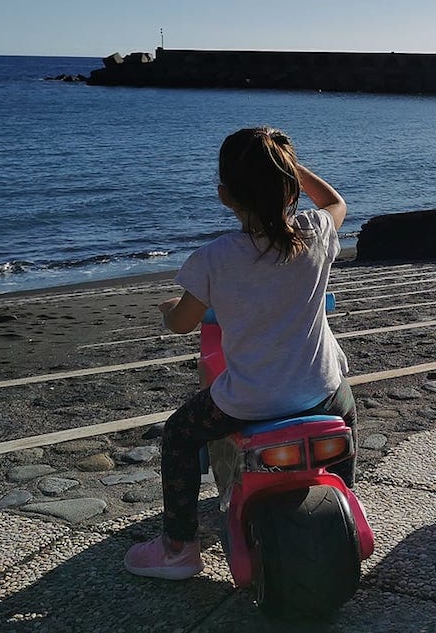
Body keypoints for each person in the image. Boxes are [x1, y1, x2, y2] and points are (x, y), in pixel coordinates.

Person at [124, 126, 354, 579]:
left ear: (225, 195)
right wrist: (293, 172)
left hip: (248, 402)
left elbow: (183, 323)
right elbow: (336, 203)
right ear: (291, 187)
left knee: (179, 435)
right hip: (321, 393)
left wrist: (170, 309)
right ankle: (344, 493)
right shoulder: (314, 231)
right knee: (348, 413)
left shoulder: (213, 259)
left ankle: (178, 548)